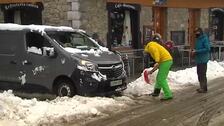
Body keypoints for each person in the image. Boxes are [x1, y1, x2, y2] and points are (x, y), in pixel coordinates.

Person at [144, 33, 173, 101]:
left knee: (161, 79)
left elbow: (156, 52)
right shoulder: (154, 45)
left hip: (166, 61)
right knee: (159, 78)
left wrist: (156, 61)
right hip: (165, 61)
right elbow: (158, 63)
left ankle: (168, 95)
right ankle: (156, 92)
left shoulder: (150, 46)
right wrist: (151, 71)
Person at [191, 27, 210, 93]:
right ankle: (201, 87)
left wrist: (197, 51)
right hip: (198, 59)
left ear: (200, 32)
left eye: (197, 32)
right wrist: (194, 51)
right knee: (199, 74)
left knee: (202, 74)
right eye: (195, 32)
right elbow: (197, 47)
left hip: (203, 59)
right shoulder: (197, 39)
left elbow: (207, 48)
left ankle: (204, 88)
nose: (196, 34)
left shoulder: (204, 39)